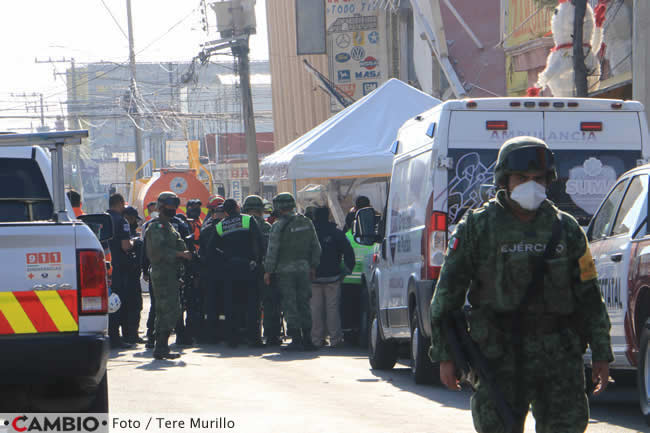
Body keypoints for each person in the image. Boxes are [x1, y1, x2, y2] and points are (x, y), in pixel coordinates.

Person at [429, 136, 613, 433]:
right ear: (505, 180)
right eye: (522, 178)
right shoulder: (478, 227)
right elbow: (446, 296)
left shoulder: (565, 228)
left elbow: (589, 296)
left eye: (538, 178)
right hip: (498, 357)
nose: (531, 184)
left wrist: (602, 353)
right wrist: (445, 355)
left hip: (558, 357)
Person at [264, 193, 321, 351]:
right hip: (304, 269)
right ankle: (308, 339)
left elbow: (272, 250)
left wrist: (268, 271)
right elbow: (316, 247)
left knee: (290, 304)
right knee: (304, 303)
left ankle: (296, 339)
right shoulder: (306, 222)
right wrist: (313, 266)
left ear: (279, 207)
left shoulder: (278, 225)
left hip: (285, 271)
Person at [209, 199, 264, 347]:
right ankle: (254, 338)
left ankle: (233, 339)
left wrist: (224, 260)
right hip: (248, 267)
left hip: (230, 268)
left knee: (231, 304)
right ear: (238, 208)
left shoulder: (220, 225)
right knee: (252, 303)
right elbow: (260, 240)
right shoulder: (248, 220)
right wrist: (258, 261)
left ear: (225, 212)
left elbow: (211, 248)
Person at [145, 191, 192, 359]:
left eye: (175, 206)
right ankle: (160, 346)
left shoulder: (169, 226)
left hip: (171, 273)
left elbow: (180, 244)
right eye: (170, 206)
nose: (173, 209)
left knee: (171, 309)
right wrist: (180, 254)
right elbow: (158, 251)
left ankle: (162, 346)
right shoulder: (157, 226)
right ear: (162, 207)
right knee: (166, 309)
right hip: (162, 273)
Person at [310, 207, 355, 348]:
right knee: (332, 308)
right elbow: (349, 253)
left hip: (313, 277)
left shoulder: (310, 234)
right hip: (333, 277)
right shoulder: (335, 233)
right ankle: (335, 339)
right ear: (328, 216)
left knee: (315, 309)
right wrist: (345, 272)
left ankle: (316, 339)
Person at [242, 195, 280, 345]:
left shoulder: (243, 226)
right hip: (267, 270)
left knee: (251, 304)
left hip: (249, 270)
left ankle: (252, 336)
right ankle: (272, 336)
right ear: (260, 210)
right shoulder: (267, 227)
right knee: (270, 304)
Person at [106, 193, 134, 349]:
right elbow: (125, 246)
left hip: (103, 266)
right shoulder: (121, 221)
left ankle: (108, 334)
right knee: (116, 302)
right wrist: (132, 243)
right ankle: (116, 338)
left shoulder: (102, 218)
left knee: (106, 301)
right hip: (118, 268)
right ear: (120, 204)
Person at [199, 195, 226, 342]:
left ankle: (210, 333)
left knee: (210, 303)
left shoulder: (206, 227)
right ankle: (221, 332)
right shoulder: (226, 228)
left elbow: (202, 250)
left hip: (208, 271)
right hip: (222, 271)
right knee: (222, 303)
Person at [122, 206, 144, 344]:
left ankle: (130, 334)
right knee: (133, 305)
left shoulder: (123, 232)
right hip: (130, 275)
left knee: (130, 306)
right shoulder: (127, 234)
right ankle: (131, 335)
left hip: (128, 275)